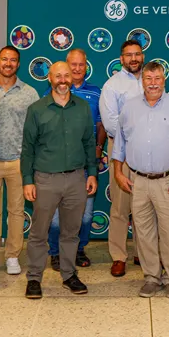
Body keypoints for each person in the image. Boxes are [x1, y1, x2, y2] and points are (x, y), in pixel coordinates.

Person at [112, 61, 169, 299]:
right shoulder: (129, 107)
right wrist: (118, 172)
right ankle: (151, 277)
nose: (153, 83)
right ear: (142, 81)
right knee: (144, 231)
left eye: (157, 78)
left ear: (164, 80)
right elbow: (120, 145)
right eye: (148, 78)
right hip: (138, 180)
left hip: (168, 180)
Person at [21, 62, 97, 299]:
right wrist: (27, 180)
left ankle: (68, 274)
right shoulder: (37, 109)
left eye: (66, 76)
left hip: (76, 179)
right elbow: (28, 148)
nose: (63, 80)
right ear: (50, 79)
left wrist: (92, 172)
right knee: (39, 232)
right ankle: (34, 277)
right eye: (58, 76)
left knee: (71, 232)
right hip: (45, 179)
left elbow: (88, 143)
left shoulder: (83, 107)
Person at [45, 49, 106, 270]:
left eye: (81, 65)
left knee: (86, 214)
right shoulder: (50, 93)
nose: (77, 68)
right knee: (56, 216)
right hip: (57, 164)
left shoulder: (97, 92)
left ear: (86, 66)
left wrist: (98, 148)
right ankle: (55, 252)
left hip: (85, 162)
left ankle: (79, 249)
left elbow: (100, 124)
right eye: (73, 64)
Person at [0, 46, 39, 275]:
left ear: (18, 64)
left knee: (16, 211)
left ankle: (13, 255)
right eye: (4, 59)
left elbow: (34, 130)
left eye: (13, 60)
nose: (8, 63)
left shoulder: (29, 93)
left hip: (18, 161)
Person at [99, 40, 145, 277]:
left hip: (149, 153)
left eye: (137, 54)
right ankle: (118, 256)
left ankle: (142, 251)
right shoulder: (112, 86)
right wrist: (136, 139)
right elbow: (111, 123)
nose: (134, 58)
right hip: (122, 151)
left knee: (144, 205)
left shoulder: (152, 80)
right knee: (120, 206)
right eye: (129, 55)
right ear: (121, 59)